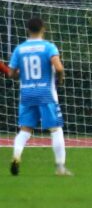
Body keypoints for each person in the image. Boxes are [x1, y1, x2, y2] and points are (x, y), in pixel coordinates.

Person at [8, 17, 71, 176]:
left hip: (27, 94)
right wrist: (61, 78)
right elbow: (58, 67)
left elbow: (11, 73)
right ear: (43, 28)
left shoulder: (20, 49)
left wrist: (19, 74)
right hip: (46, 94)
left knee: (25, 130)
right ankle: (60, 168)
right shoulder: (48, 47)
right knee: (56, 130)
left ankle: (16, 156)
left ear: (28, 30)